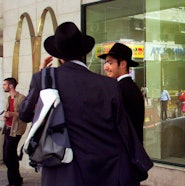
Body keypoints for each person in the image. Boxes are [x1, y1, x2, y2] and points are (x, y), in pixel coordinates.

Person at [19, 22, 147, 186]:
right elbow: (123, 132)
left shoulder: (45, 79)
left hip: (59, 173)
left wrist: (41, 76)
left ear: (59, 56)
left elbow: (24, 114)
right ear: (83, 52)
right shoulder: (109, 85)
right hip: (102, 172)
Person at [98, 42, 145, 143]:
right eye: (106, 63)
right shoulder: (131, 86)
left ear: (123, 64)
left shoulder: (119, 89)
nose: (105, 67)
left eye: (110, 63)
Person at [1, 77, 27, 186]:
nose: (3, 86)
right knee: (9, 156)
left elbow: (24, 114)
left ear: (10, 86)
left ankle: (14, 181)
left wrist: (11, 114)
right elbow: (8, 112)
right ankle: (16, 179)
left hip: (16, 130)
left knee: (8, 156)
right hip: (7, 129)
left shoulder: (21, 98)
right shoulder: (8, 98)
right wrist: (5, 117)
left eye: (4, 84)